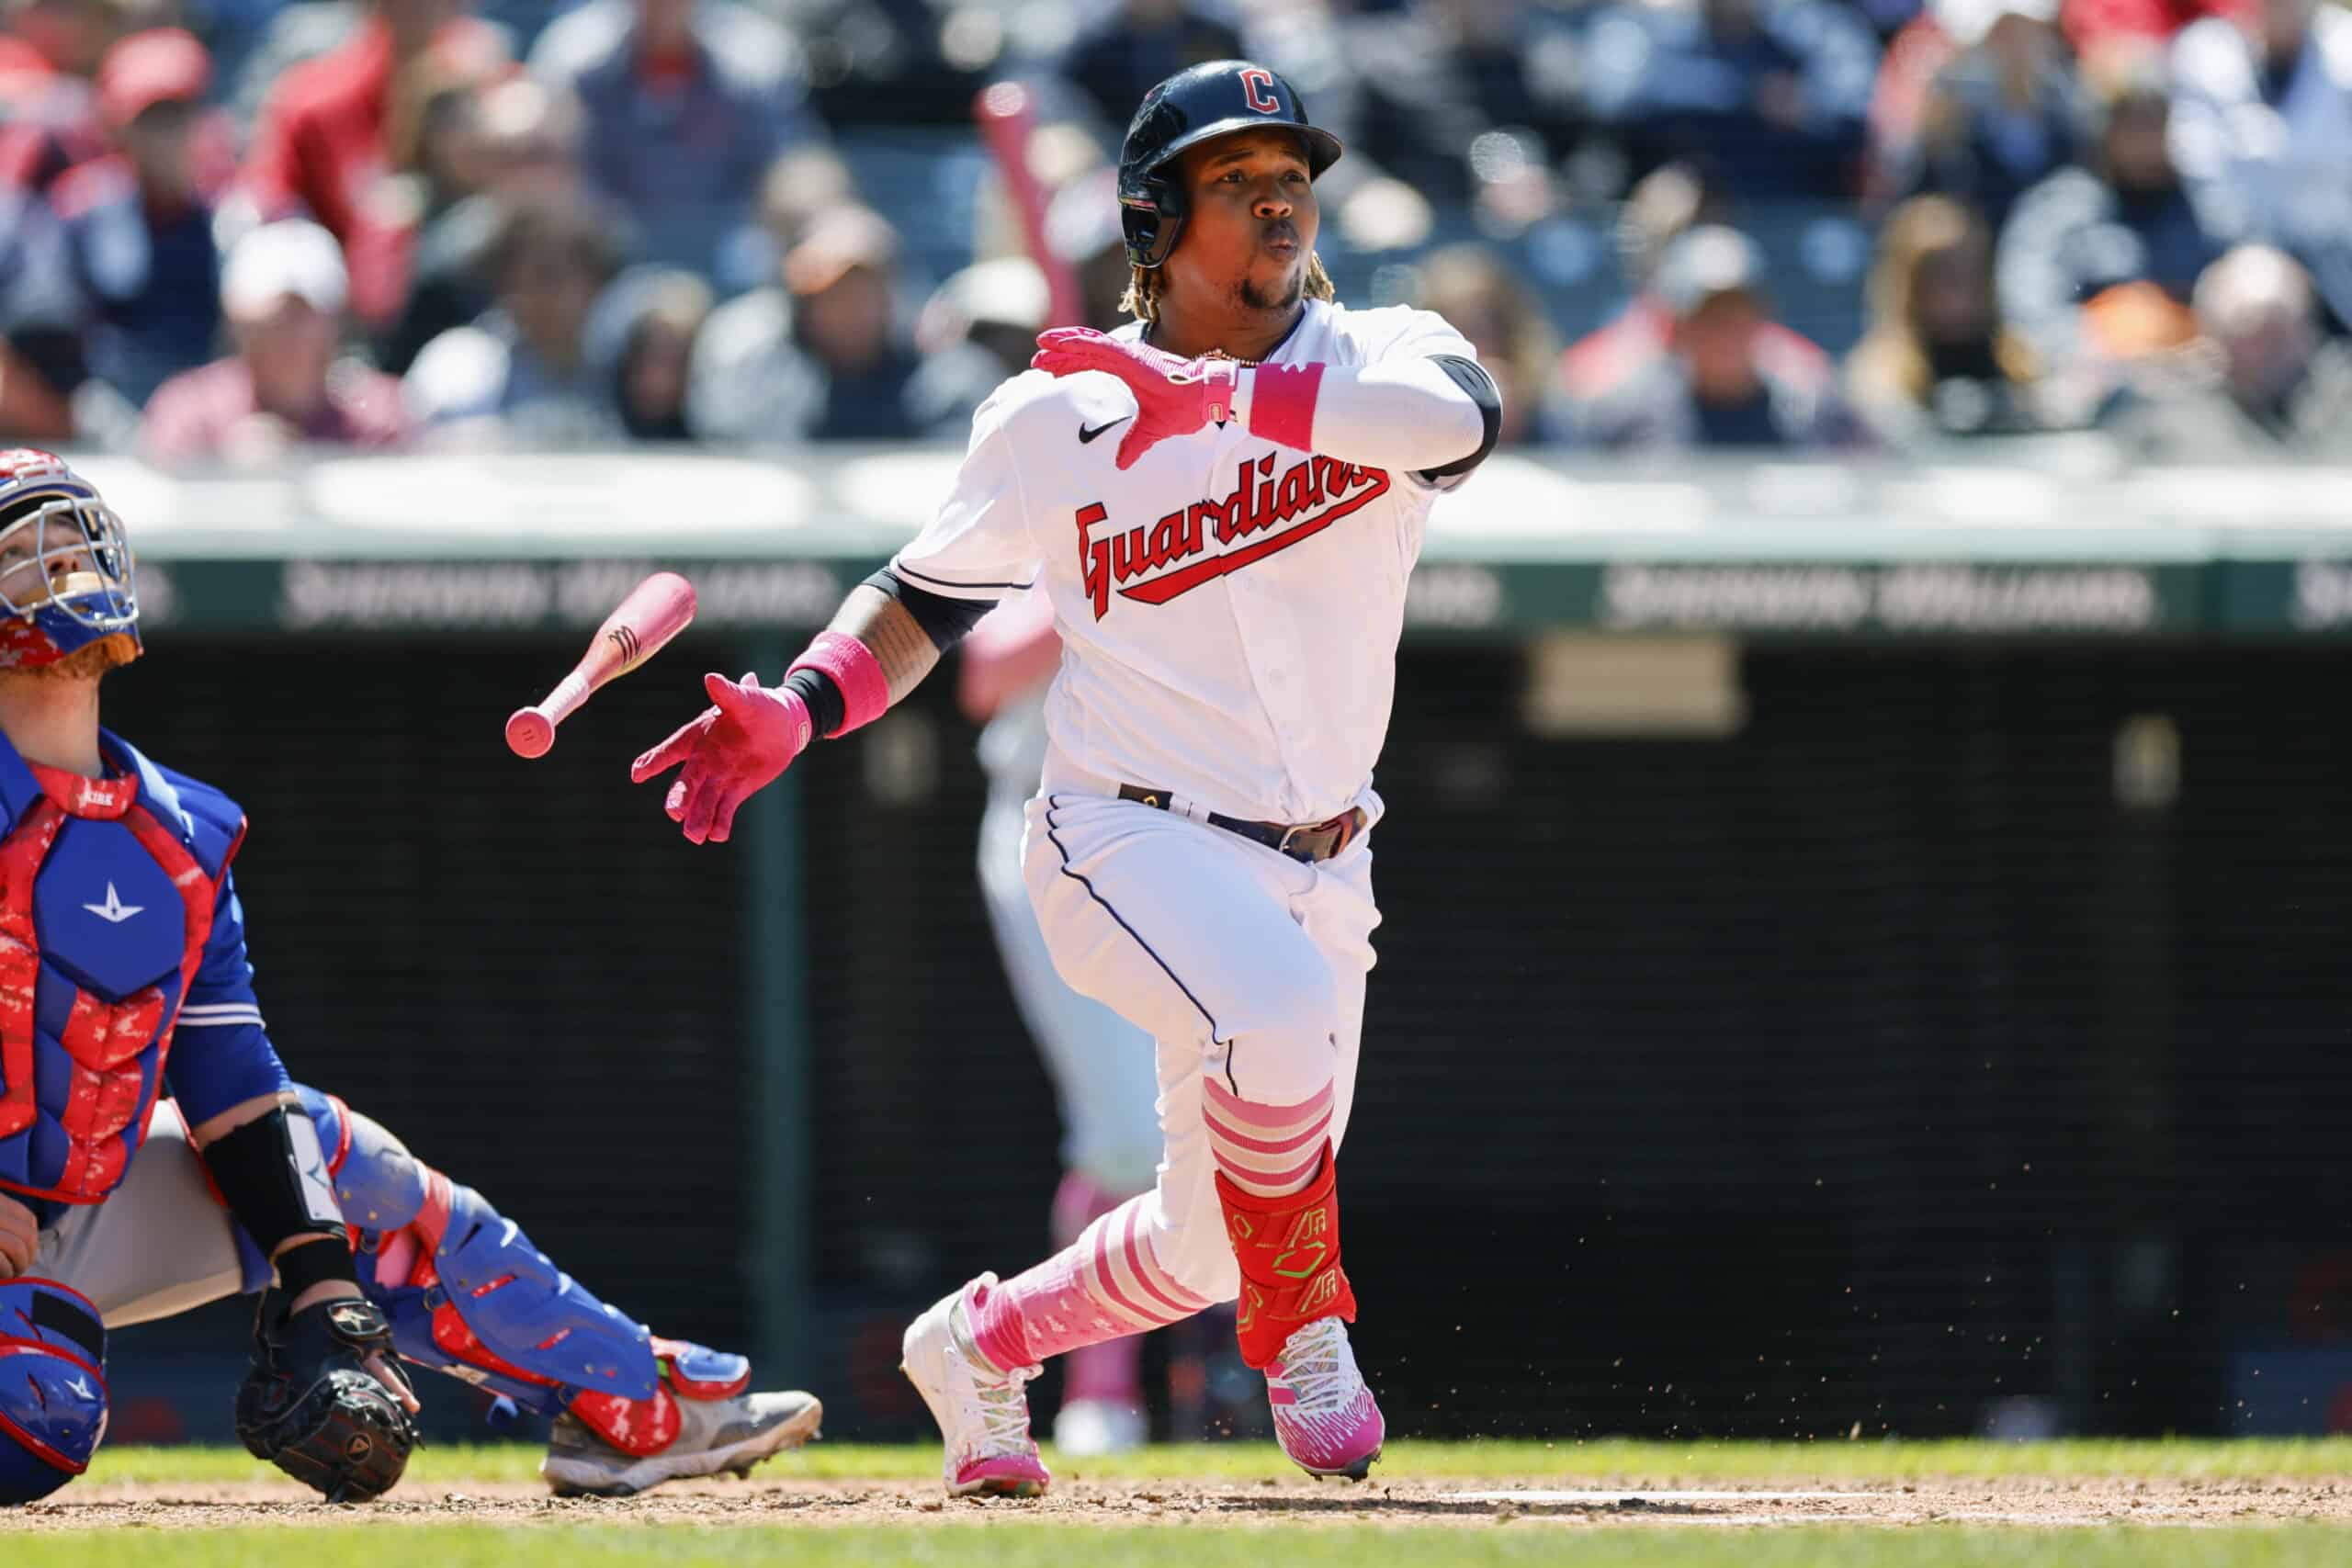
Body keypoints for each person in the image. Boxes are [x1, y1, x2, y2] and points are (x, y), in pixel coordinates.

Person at [631, 60, 1501, 1495]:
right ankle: (1308, 1322)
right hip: (1123, 835)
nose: (1280, 194)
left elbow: (1461, 423)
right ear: (1156, 217)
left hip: (1326, 856)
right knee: (1273, 1043)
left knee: (1208, 1232)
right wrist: (799, 703)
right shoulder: (1057, 418)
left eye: (1292, 169)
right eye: (1237, 176)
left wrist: (1218, 397)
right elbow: (919, 598)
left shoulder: (1379, 351)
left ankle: (978, 1341)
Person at [0, 449, 821, 1506]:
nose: (57, 564)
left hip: (68, 1216)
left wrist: (324, 1286)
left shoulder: (180, 834)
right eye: (24, 550)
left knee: (347, 1169)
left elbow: (237, 1092)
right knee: (32, 1417)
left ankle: (636, 1402)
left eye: (66, 543)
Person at [140, 220, 411, 467]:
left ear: (336, 323)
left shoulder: (380, 418)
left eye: (304, 315)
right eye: (272, 318)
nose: (290, 336)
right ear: (236, 323)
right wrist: (221, 466)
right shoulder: (189, 412)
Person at [1847, 194, 2048, 442]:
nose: (1963, 287)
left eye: (1973, 270)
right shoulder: (1880, 374)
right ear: (1909, 283)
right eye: (1943, 273)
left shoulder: (2018, 362)